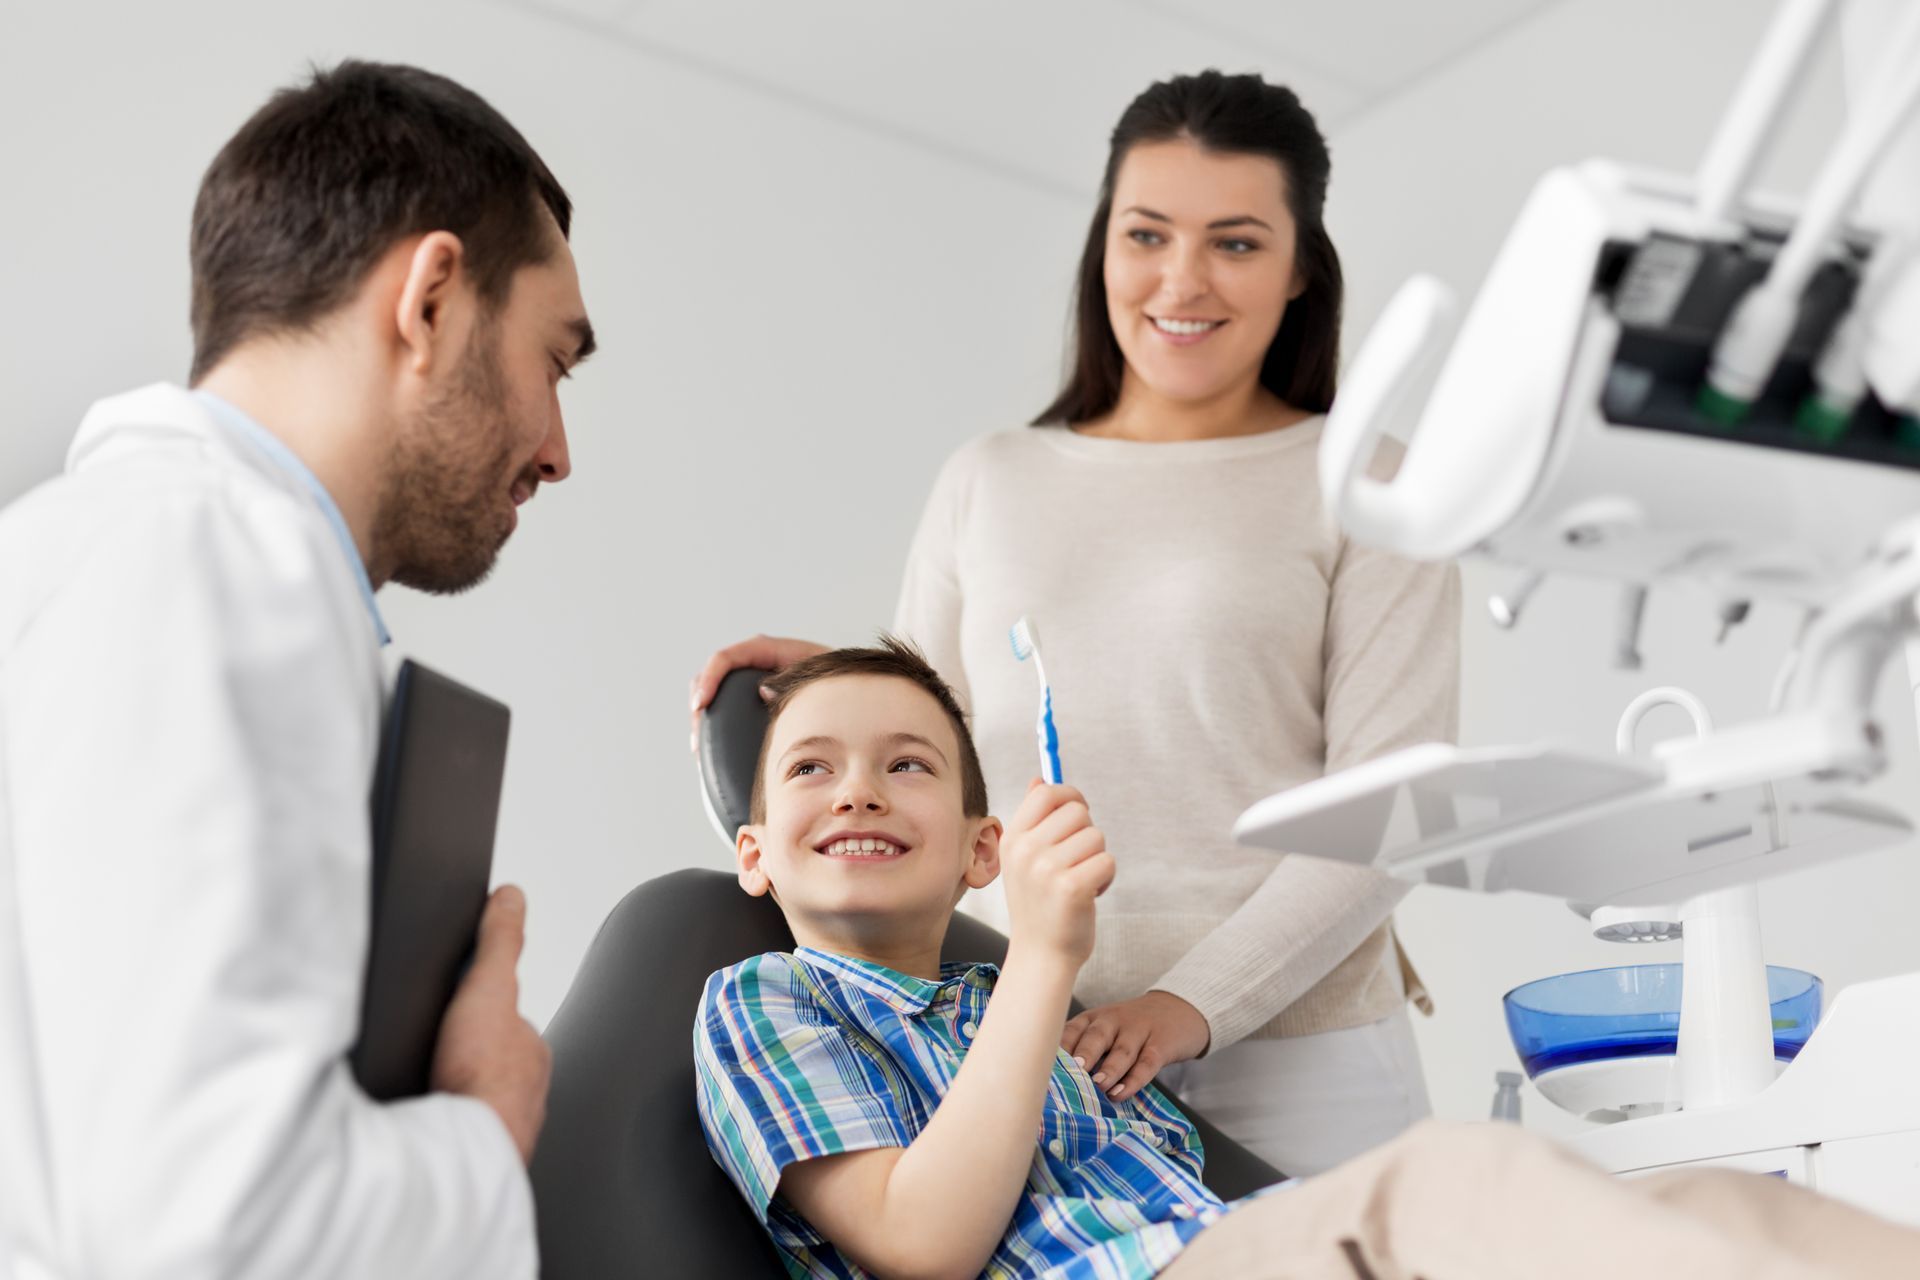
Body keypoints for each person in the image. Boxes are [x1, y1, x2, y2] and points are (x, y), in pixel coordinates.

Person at [692, 69, 1457, 1175]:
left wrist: (1188, 1003)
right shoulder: (989, 479)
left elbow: (1392, 812)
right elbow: (940, 746)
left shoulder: (1369, 485)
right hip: (1037, 1039)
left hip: (1307, 1057)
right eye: (1146, 233)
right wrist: (837, 681)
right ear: (1104, 244)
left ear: (1300, 271)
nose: (1181, 278)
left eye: (1236, 242)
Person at [693, 639, 1920, 1280]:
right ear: (753, 851)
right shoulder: (764, 999)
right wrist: (1046, 955)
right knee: (1450, 1181)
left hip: (1237, 1241)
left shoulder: (1016, 1025)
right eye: (813, 764)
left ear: (982, 848)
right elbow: (923, 1243)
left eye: (906, 760)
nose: (859, 783)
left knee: (1709, 1202)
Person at [0, 61, 595, 1278]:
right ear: (430, 300)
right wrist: (488, 1115)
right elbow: (213, 1225)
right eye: (556, 360)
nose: (557, 449)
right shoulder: (217, 562)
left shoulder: (89, 545)